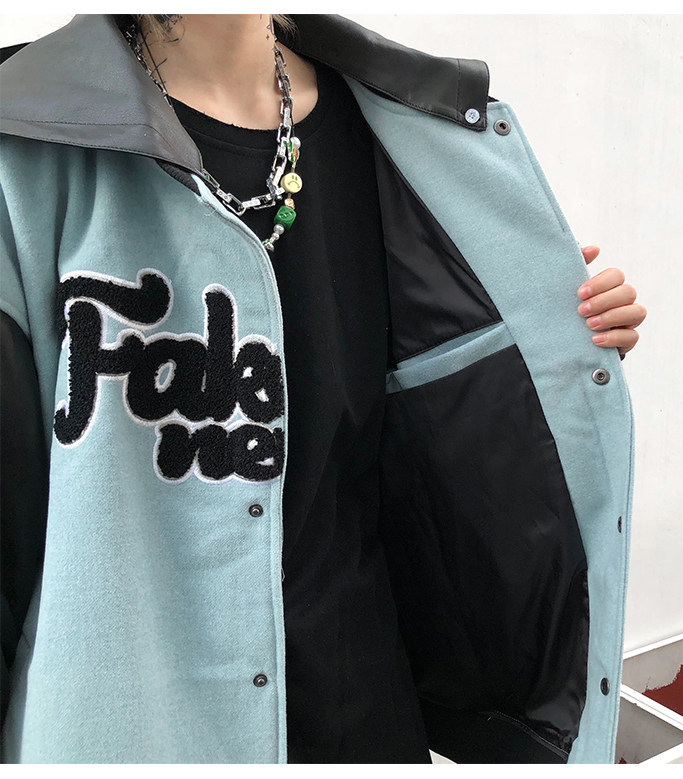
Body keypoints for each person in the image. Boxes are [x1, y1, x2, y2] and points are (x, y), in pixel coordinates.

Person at [0, 14, 646, 764]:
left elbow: (441, 445)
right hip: (130, 732)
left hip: (363, 716)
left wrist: (556, 342)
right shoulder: (28, 136)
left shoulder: (404, 128)